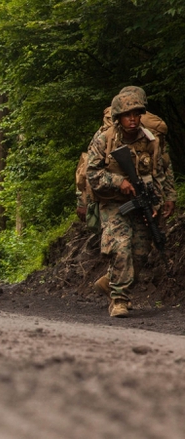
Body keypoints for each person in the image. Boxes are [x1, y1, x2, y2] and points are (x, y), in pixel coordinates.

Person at [86, 92, 172, 317]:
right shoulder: (105, 139)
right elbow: (92, 174)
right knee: (121, 247)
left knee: (141, 252)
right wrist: (118, 182)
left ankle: (110, 282)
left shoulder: (150, 140)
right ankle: (119, 300)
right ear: (118, 117)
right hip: (113, 203)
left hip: (141, 202)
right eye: (127, 115)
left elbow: (158, 173)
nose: (132, 119)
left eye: (136, 114)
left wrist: (158, 202)